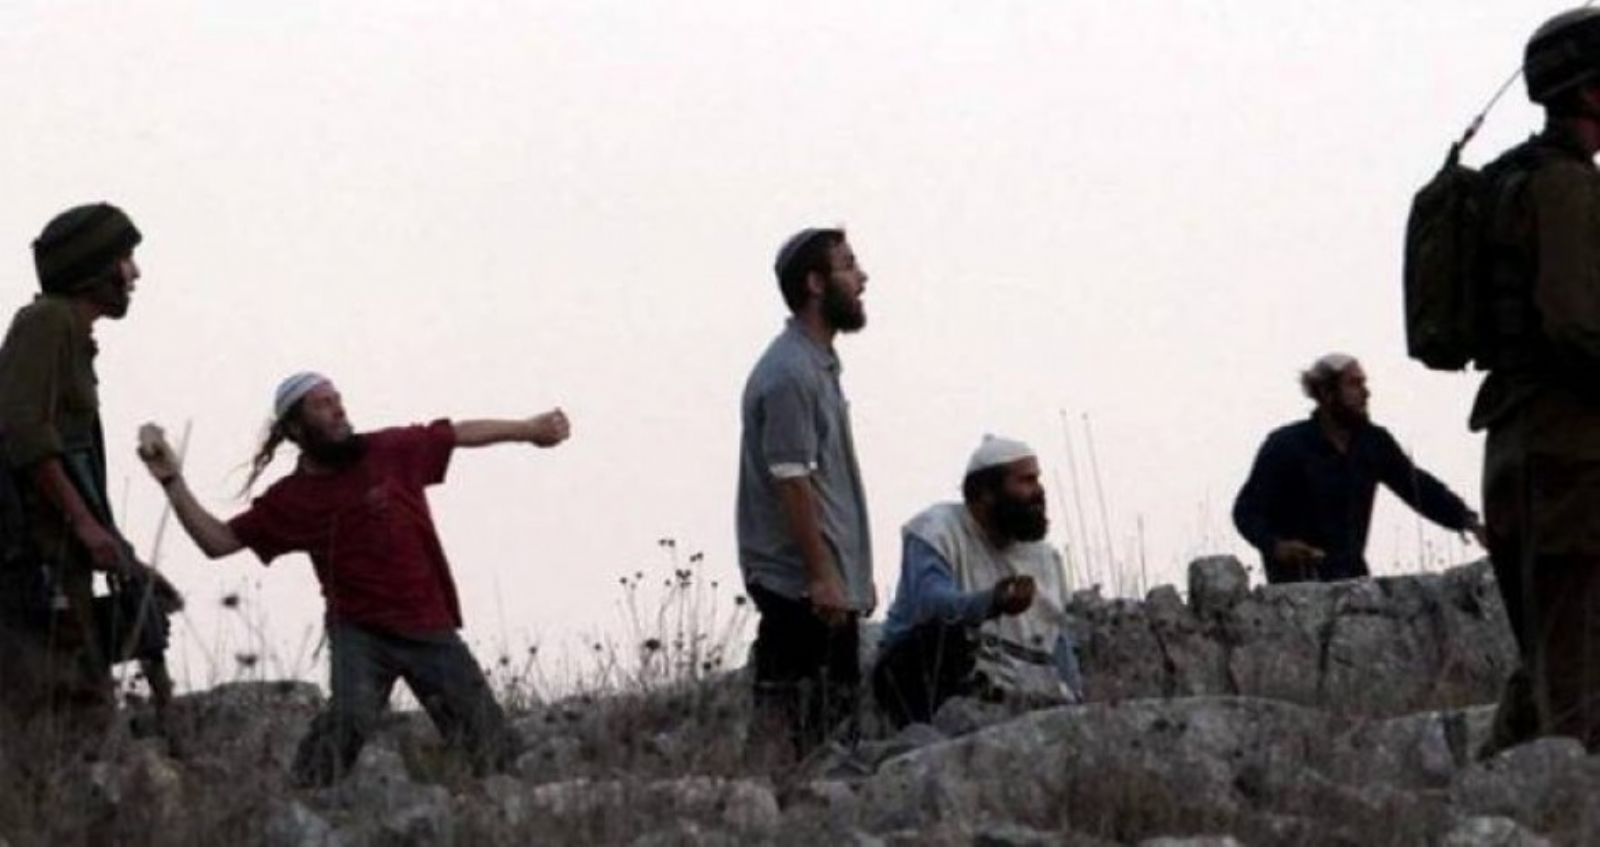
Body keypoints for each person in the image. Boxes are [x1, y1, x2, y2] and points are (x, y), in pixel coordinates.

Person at [137, 372, 569, 785]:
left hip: (427, 626)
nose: (339, 410)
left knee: (489, 743)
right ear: (295, 427)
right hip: (359, 633)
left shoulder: (390, 450)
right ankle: (303, 798)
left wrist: (529, 429)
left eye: (338, 401)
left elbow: (457, 433)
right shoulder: (292, 499)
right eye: (323, 405)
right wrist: (172, 481)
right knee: (348, 722)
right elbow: (218, 541)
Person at [1475, 8, 1600, 755]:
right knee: (1581, 684)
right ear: (1587, 91)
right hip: (1571, 459)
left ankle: (1483, 797)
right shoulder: (1566, 188)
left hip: (1521, 449)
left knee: (1550, 664)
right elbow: (1576, 324)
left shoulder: (1512, 181)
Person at [0, 202, 178, 721]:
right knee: (61, 707)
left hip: (59, 554)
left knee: (82, 695)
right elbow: (24, 429)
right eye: (125, 259)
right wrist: (83, 525)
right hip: (32, 557)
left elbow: (73, 460)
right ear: (93, 268)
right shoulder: (46, 322)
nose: (134, 273)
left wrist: (118, 547)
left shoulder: (73, 338)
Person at [736, 227, 874, 759]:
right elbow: (792, 482)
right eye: (849, 266)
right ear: (816, 284)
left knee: (833, 741)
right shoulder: (791, 373)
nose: (862, 278)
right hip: (801, 589)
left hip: (826, 585)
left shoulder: (816, 365)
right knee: (805, 748)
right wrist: (822, 576)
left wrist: (852, 574)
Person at [872, 435, 1080, 728]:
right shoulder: (938, 530)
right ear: (986, 493)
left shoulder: (1046, 558)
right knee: (943, 638)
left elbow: (1058, 639)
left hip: (1017, 692)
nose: (1039, 491)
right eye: (1026, 481)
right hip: (922, 678)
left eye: (1037, 479)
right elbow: (931, 604)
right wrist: (992, 602)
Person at [1232, 353, 1484, 584]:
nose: (1366, 393)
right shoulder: (1285, 445)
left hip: (1354, 583)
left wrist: (1468, 521)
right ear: (1327, 393)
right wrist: (1277, 547)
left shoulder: (1373, 443)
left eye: (1364, 383)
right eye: (1354, 384)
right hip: (1295, 589)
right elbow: (1246, 511)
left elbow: (1417, 486)